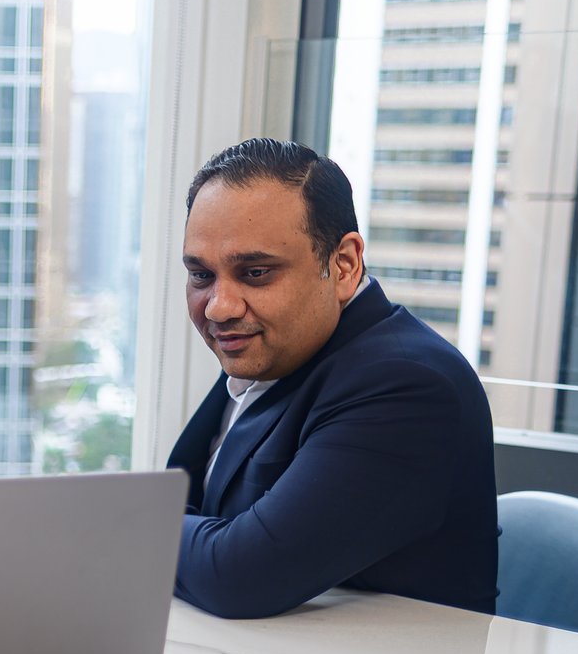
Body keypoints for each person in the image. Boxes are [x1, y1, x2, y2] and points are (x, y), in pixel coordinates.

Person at [167, 138, 497, 619]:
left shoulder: (409, 386)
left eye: (256, 272)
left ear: (343, 265)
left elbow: (239, 575)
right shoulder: (275, 343)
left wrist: (126, 520)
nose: (219, 306)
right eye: (201, 276)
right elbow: (193, 503)